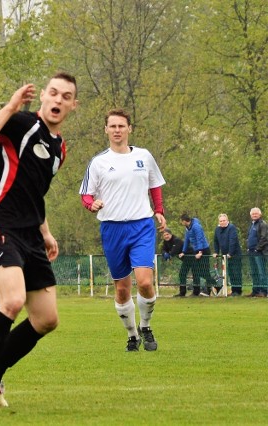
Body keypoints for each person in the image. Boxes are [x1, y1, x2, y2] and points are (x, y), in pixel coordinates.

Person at [0, 72, 77, 407]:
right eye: (53, 93)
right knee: (10, 302)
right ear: (42, 95)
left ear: (73, 105)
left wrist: (45, 231)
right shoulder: (21, 122)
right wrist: (7, 109)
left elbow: (33, 193)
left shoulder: (59, 148)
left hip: (30, 234)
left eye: (65, 96)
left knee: (46, 319)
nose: (57, 100)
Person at [80, 108, 166, 353]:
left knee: (145, 281)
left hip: (141, 225)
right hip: (112, 228)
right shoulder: (99, 162)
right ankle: (131, 334)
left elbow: (155, 185)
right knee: (122, 288)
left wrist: (159, 210)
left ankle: (146, 326)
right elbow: (86, 193)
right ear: (106, 130)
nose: (117, 130)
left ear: (130, 129)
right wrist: (91, 204)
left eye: (121, 126)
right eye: (112, 126)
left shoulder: (144, 156)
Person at [178, 214, 219, 296]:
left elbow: (199, 238)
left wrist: (200, 252)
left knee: (203, 271)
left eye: (181, 221)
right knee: (196, 271)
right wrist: (183, 251)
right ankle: (196, 292)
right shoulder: (187, 228)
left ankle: (216, 286)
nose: (181, 223)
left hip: (203, 250)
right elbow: (187, 240)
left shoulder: (196, 226)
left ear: (184, 221)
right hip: (196, 250)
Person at [160, 228, 199, 297]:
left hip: (191, 257)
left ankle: (196, 293)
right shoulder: (166, 242)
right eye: (164, 235)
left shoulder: (176, 240)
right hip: (185, 259)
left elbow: (175, 250)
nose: (166, 236)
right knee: (182, 274)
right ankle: (182, 293)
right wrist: (165, 254)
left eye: (167, 234)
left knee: (195, 274)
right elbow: (163, 249)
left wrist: (169, 255)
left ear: (171, 234)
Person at [212, 213, 243, 296]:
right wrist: (216, 252)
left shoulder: (231, 228)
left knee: (236, 272)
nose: (222, 222)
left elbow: (233, 241)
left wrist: (230, 253)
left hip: (235, 254)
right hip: (225, 255)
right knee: (230, 273)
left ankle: (238, 291)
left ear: (227, 221)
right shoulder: (217, 229)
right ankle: (233, 290)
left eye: (224, 220)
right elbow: (215, 241)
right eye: (221, 221)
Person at [246, 207, 268, 297]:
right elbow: (249, 237)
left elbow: (265, 238)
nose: (254, 215)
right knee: (254, 272)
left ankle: (264, 291)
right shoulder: (251, 225)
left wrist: (257, 248)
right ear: (251, 215)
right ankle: (255, 290)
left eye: (256, 213)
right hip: (251, 252)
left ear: (260, 214)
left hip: (259, 252)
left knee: (261, 272)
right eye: (253, 214)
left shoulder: (263, 224)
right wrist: (248, 248)